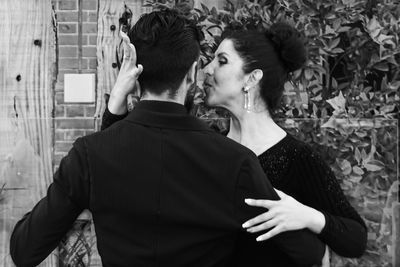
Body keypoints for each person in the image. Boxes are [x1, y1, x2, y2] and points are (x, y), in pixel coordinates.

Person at [10, 10, 325, 267]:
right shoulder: (236, 161)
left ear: (135, 72)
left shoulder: (89, 155)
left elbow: (25, 249)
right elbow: (307, 253)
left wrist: (114, 109)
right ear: (191, 73)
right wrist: (306, 214)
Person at [102, 21, 367, 266]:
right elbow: (119, 166)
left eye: (222, 61)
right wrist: (118, 97)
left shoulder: (297, 158)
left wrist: (306, 215)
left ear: (251, 79)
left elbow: (355, 238)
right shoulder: (208, 147)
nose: (207, 70)